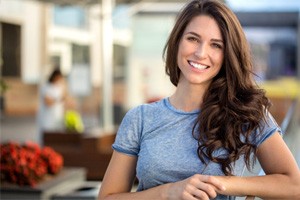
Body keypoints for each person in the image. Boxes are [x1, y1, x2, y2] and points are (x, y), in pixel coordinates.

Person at [98, 0, 300, 199]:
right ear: (177, 41)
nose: (201, 53)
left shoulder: (246, 113)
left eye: (216, 45)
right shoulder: (140, 119)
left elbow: (294, 185)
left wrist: (221, 183)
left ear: (228, 54)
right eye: (193, 39)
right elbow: (107, 197)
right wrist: (168, 192)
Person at [38, 68, 66, 133]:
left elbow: (64, 99)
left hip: (57, 117)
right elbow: (48, 102)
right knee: (47, 136)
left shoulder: (59, 87)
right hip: (47, 118)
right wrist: (58, 99)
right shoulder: (45, 87)